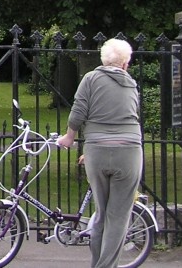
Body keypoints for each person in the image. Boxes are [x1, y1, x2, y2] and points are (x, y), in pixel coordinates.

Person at [56, 38, 142, 268]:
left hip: (96, 151)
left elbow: (78, 111)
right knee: (118, 217)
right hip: (129, 152)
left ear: (103, 60)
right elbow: (133, 114)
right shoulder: (131, 83)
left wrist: (69, 137)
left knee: (102, 213)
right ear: (124, 64)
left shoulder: (91, 78)